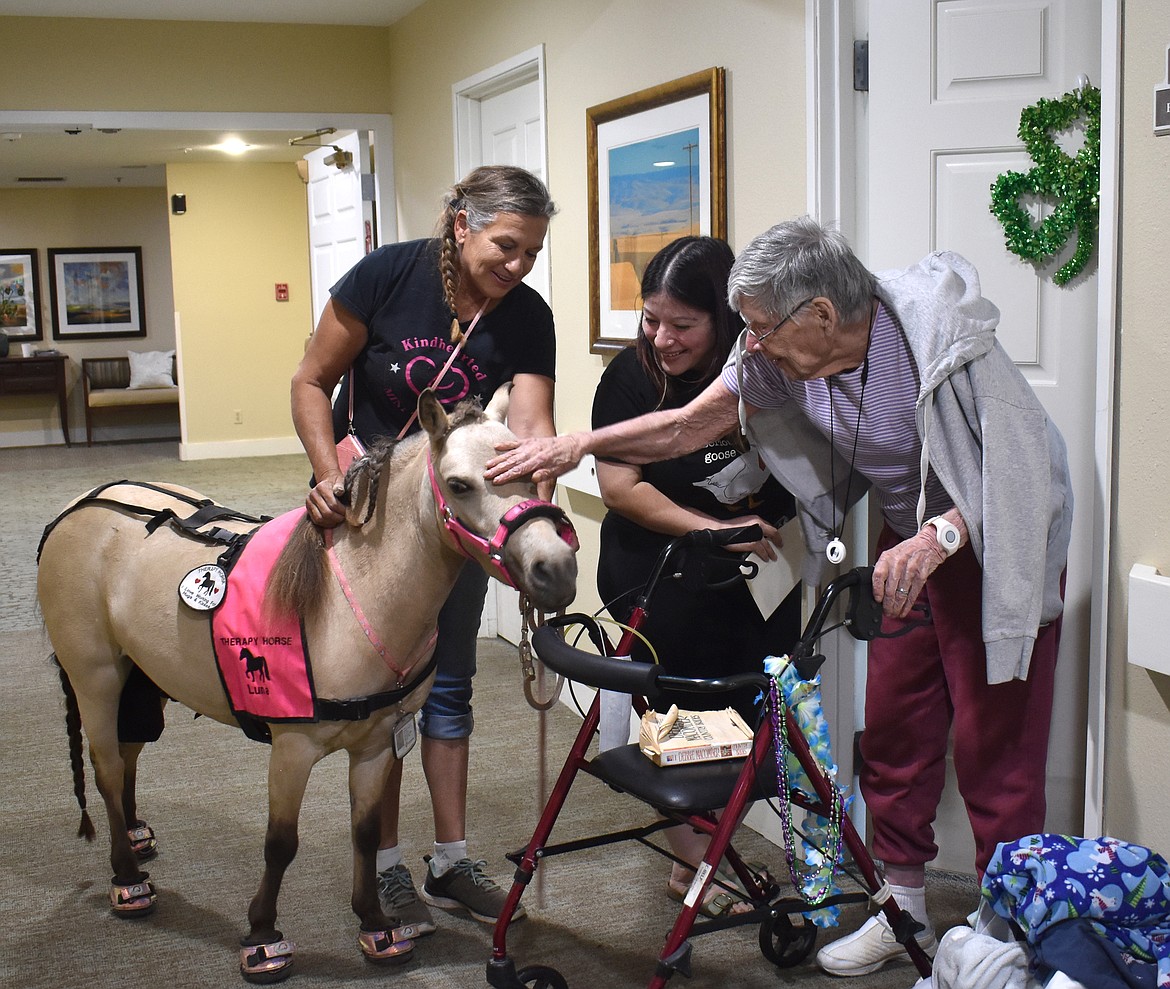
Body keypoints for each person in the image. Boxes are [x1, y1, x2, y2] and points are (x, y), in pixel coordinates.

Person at [487, 216, 1073, 977]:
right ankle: (903, 906)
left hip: (994, 548)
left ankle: (1008, 926)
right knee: (895, 730)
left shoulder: (945, 344)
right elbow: (688, 425)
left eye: (760, 326)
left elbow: (1026, 473)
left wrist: (940, 536)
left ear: (822, 315)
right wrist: (580, 446)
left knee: (998, 748)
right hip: (906, 548)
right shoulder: (780, 355)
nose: (750, 343)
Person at [291, 164, 558, 935]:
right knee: (375, 698)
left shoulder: (526, 316)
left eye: (533, 253)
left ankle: (450, 857)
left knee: (448, 686)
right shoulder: (386, 276)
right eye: (506, 246)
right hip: (368, 514)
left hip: (453, 520)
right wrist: (326, 475)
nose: (518, 266)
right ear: (461, 224)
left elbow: (531, 427)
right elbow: (311, 379)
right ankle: (383, 863)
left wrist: (536, 502)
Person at [591, 236, 801, 917]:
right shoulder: (629, 377)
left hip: (758, 579)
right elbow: (620, 486)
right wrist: (706, 527)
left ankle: (712, 854)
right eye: (652, 318)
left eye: (681, 324)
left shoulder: (767, 371)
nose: (661, 337)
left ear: (726, 319)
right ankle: (692, 865)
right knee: (677, 719)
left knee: (745, 717)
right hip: (660, 575)